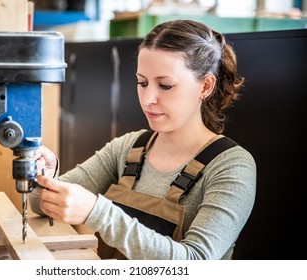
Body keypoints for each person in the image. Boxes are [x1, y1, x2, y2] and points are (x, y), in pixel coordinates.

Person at [29, 19, 256, 260]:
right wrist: (48, 177)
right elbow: (38, 203)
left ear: (206, 86)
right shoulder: (128, 148)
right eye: (142, 83)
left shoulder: (231, 167)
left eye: (165, 85)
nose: (148, 98)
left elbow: (196, 262)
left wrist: (98, 213)